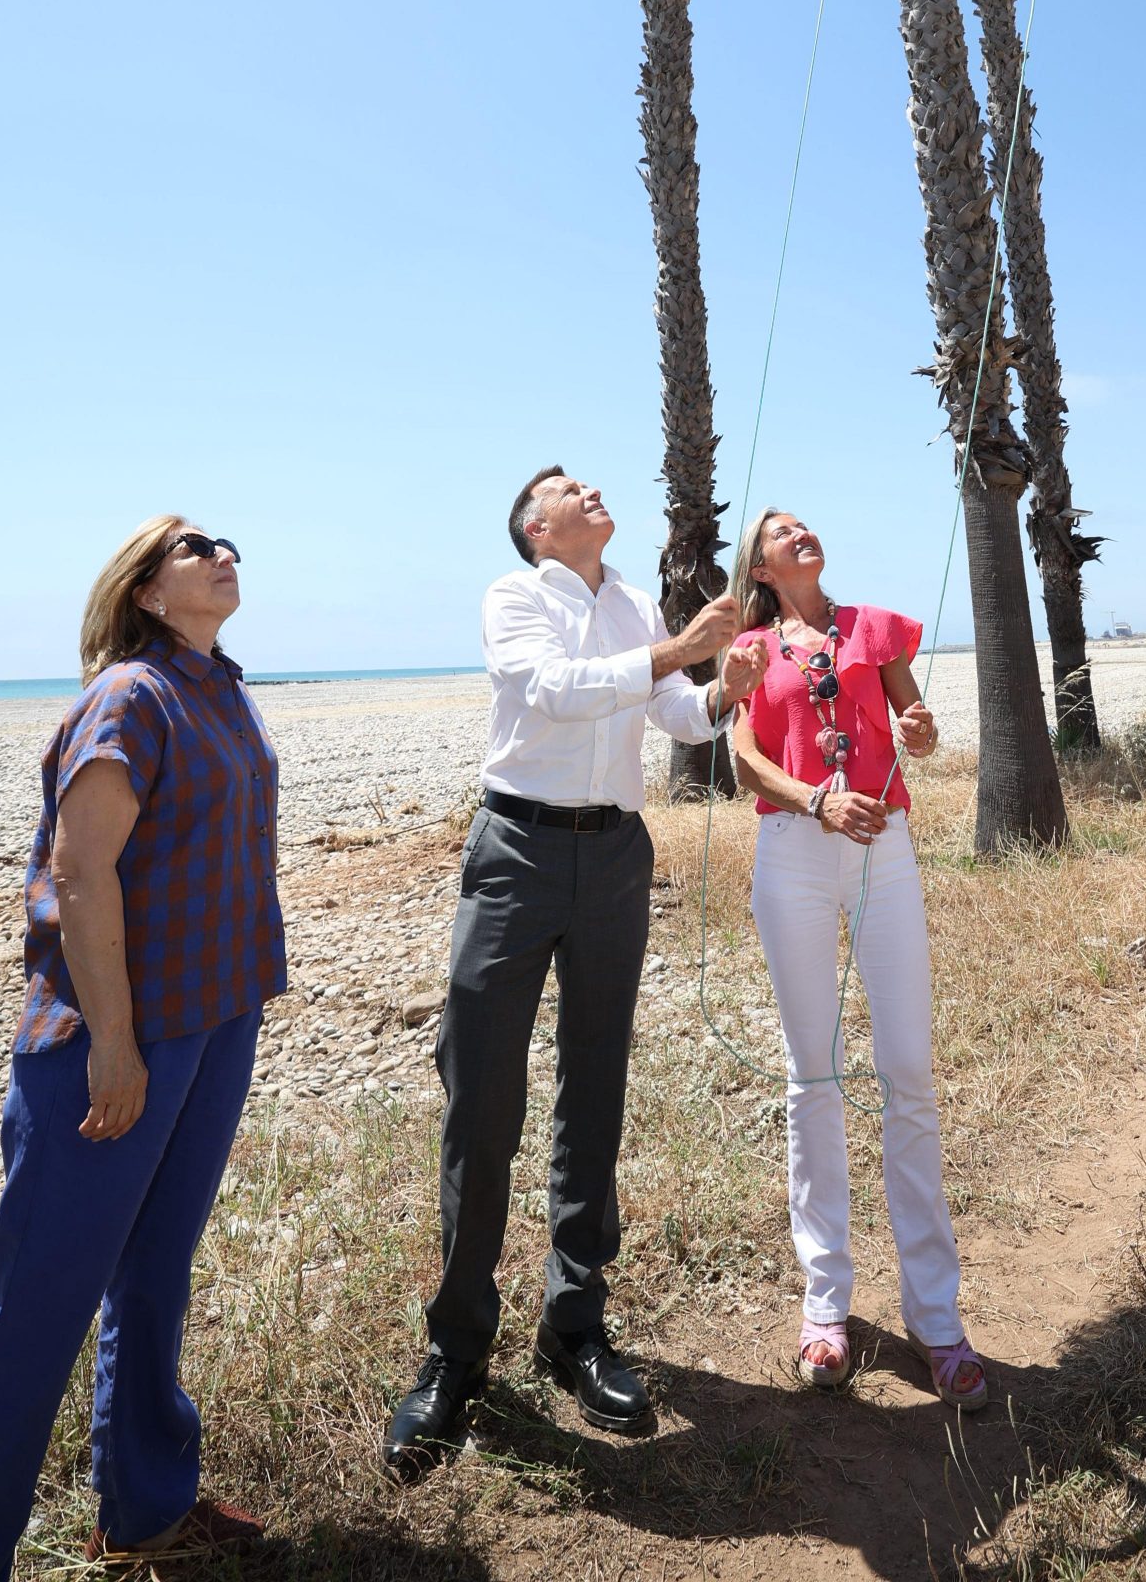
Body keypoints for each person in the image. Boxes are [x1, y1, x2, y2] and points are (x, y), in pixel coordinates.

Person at [0, 517, 284, 1578]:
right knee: (35, 1314)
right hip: (114, 1041)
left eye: (226, 540)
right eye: (194, 544)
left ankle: (147, 1507)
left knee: (154, 1278)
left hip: (216, 1020)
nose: (225, 550)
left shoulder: (219, 684)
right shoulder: (130, 693)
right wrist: (114, 1044)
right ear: (146, 590)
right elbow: (82, 876)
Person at [383, 468, 768, 1472]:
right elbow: (553, 692)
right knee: (483, 1093)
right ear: (534, 525)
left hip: (616, 855)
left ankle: (573, 1324)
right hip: (514, 852)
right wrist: (678, 652)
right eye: (565, 486)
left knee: (596, 1080)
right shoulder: (513, 598)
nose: (590, 489)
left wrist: (724, 683)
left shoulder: (635, 601)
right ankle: (458, 1350)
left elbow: (679, 718)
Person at [728, 508, 987, 1409]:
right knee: (814, 1078)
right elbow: (743, 758)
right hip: (793, 851)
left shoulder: (873, 629)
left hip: (887, 843)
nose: (801, 533)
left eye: (806, 523)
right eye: (780, 530)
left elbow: (919, 725)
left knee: (907, 1070)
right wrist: (815, 801)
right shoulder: (752, 646)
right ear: (758, 565)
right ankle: (826, 1304)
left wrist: (919, 733)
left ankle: (934, 1316)